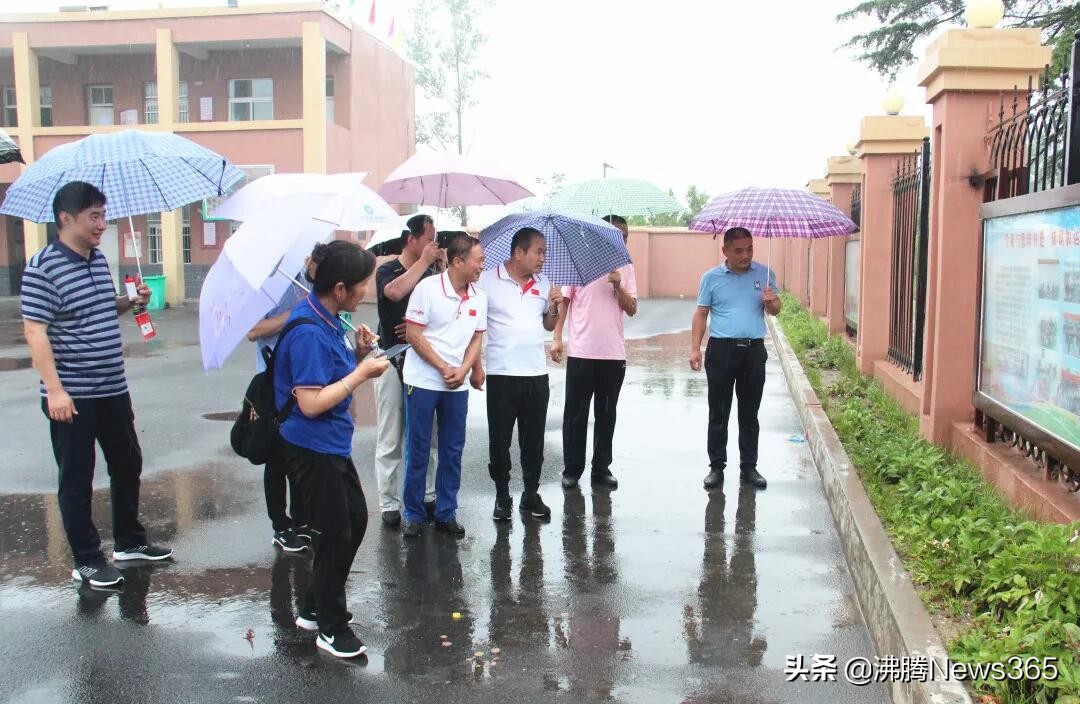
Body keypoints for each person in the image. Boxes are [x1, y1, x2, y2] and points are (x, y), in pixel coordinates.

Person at [21, 181, 172, 590]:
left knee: (127, 462)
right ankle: (86, 560)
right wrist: (55, 390)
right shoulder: (42, 267)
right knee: (77, 477)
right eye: (94, 216)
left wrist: (133, 302)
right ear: (65, 218)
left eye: (103, 215)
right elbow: (36, 331)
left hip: (112, 388)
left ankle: (129, 541)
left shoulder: (97, 260)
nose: (102, 224)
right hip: (73, 394)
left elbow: (100, 309)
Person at [274, 240, 390, 659]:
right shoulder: (307, 330)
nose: (365, 292)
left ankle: (312, 605)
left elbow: (334, 373)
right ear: (339, 287)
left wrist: (357, 353)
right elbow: (309, 402)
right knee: (338, 530)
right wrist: (361, 372)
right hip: (311, 447)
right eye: (362, 285)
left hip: (332, 444)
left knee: (353, 521)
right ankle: (330, 625)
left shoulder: (330, 319)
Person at [401, 234, 487, 538]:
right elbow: (413, 334)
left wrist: (465, 369)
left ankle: (446, 511)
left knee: (452, 450)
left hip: (457, 385)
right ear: (458, 261)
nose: (482, 266)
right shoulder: (426, 289)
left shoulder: (479, 295)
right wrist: (443, 367)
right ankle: (413, 513)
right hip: (423, 381)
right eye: (478, 260)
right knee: (419, 447)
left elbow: (477, 336)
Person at [474, 227, 562, 520]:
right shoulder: (488, 280)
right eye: (539, 252)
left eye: (545, 252)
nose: (542, 258)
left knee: (533, 440)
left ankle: (530, 494)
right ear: (518, 252)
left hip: (536, 375)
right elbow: (475, 326)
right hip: (502, 374)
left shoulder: (544, 282)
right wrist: (475, 365)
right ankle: (502, 496)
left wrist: (554, 307)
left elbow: (549, 325)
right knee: (499, 440)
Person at [690, 226, 781, 491]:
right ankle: (716, 467)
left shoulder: (764, 274)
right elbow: (701, 314)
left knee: (749, 413)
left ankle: (749, 467)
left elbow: (776, 311)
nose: (745, 255)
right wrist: (695, 348)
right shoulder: (711, 278)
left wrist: (771, 300)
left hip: (753, 351)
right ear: (725, 251)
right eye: (739, 250)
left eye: (750, 249)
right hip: (721, 351)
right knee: (718, 412)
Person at [551, 214, 637, 491]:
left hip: (612, 354)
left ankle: (601, 468)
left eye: (623, 237)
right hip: (582, 352)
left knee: (606, 413)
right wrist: (557, 338)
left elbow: (632, 308)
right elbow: (565, 302)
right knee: (575, 414)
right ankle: (572, 469)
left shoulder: (626, 267)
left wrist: (618, 285)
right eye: (614, 234)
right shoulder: (580, 263)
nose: (619, 240)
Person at [373, 214, 443, 528]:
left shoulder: (433, 274)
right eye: (428, 238)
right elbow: (394, 293)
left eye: (435, 239)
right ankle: (389, 503)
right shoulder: (388, 269)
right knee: (391, 436)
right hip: (390, 359)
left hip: (423, 361)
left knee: (426, 436)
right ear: (410, 239)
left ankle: (428, 495)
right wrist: (424, 264)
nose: (433, 245)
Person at [246, 266, 310, 553]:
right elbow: (253, 330)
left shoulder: (304, 278)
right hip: (272, 381)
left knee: (299, 451)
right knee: (277, 457)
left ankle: (302, 521)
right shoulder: (264, 283)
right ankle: (280, 525)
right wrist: (294, 315)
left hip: (302, 376)